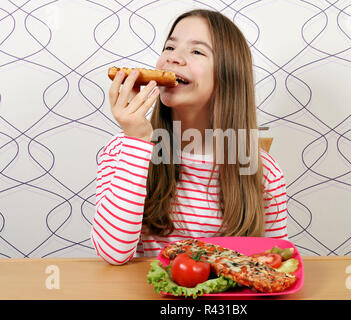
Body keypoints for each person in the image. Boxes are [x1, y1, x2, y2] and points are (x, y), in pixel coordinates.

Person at [91, 9, 288, 265]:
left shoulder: (265, 173)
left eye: (196, 51)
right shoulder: (122, 149)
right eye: (170, 47)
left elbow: (275, 265)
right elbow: (112, 254)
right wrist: (137, 140)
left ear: (229, 77)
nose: (174, 58)